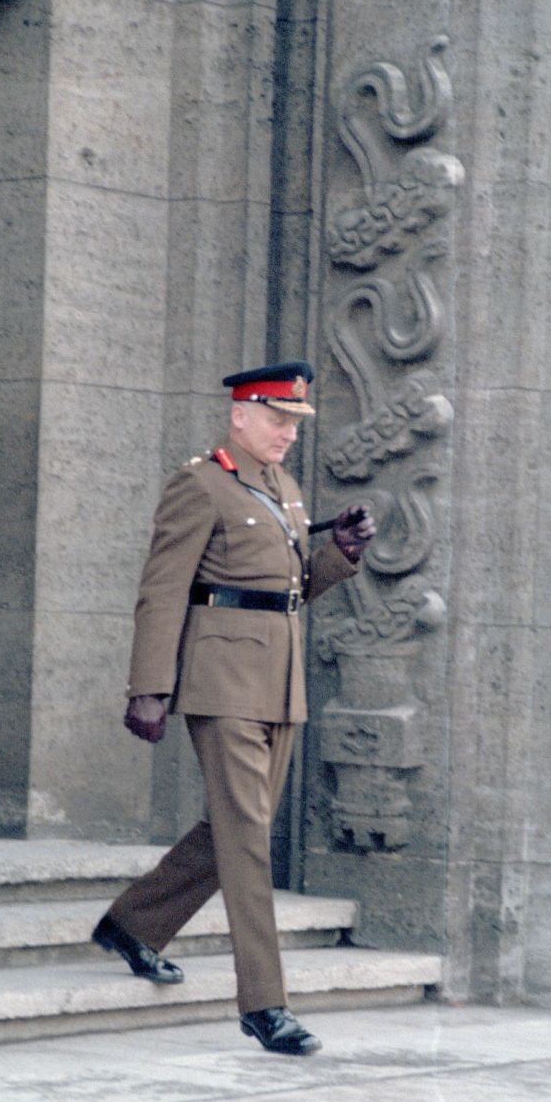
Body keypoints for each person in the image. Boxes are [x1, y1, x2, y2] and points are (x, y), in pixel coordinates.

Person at [91, 361, 375, 1054]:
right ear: (240, 415)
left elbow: (290, 591)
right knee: (248, 840)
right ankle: (264, 1005)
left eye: (295, 423)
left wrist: (339, 554)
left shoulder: (286, 488)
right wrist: (148, 688)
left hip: (277, 683)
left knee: (232, 829)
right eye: (277, 419)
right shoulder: (201, 482)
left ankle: (132, 924)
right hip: (220, 684)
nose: (287, 434)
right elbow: (163, 590)